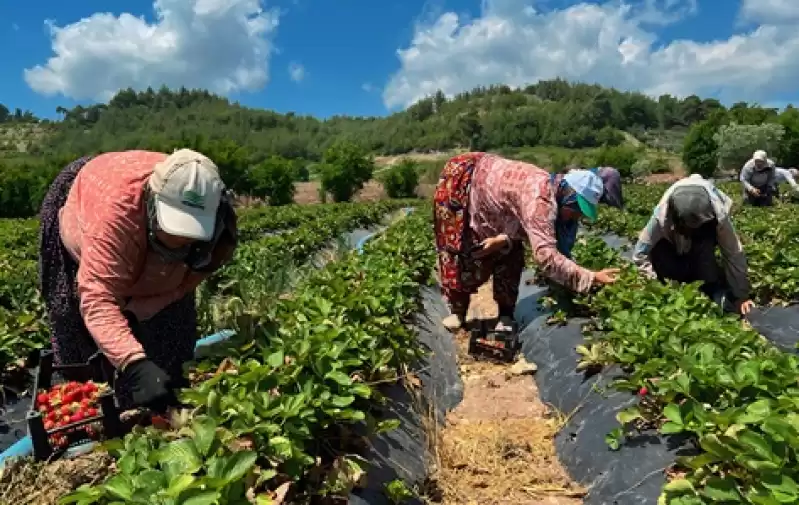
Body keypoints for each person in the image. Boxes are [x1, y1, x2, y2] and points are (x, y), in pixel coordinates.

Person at [39, 149, 238, 410]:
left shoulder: (220, 230)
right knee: (73, 322)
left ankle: (161, 403)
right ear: (153, 202)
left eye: (192, 231)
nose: (182, 240)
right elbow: (98, 298)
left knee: (171, 337)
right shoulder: (116, 213)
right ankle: (98, 407)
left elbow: (187, 284)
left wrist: (143, 308)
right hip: (90, 192)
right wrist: (134, 364)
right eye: (175, 226)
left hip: (133, 227)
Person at [434, 152, 620, 331]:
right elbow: (546, 257)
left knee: (511, 251)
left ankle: (505, 314)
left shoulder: (552, 189)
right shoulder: (540, 199)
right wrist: (592, 277)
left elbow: (518, 218)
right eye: (577, 210)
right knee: (459, 245)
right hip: (463, 181)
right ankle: (458, 310)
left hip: (495, 196)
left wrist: (504, 237)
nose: (577, 217)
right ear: (568, 196)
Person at [631, 174, 754, 316]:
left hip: (705, 233)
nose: (691, 231)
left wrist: (741, 295)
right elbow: (640, 253)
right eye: (687, 228)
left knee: (706, 271)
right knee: (667, 265)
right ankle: (674, 279)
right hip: (669, 240)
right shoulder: (661, 217)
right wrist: (654, 287)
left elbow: (733, 253)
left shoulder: (719, 215)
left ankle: (709, 287)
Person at [557, 165, 624, 258]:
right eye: (577, 208)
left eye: (581, 211)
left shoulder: (570, 215)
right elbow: (547, 253)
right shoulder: (544, 206)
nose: (579, 215)